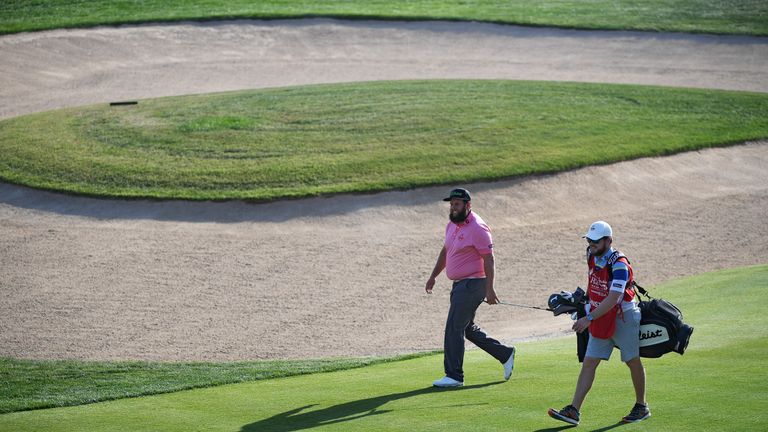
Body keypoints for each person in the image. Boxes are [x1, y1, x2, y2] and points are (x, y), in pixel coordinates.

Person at [547, 221, 651, 425]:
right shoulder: (591, 255)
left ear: (608, 240)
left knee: (632, 360)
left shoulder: (619, 263)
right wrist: (583, 305)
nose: (591, 244)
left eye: (595, 242)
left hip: (624, 318)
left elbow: (613, 298)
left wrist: (588, 318)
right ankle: (574, 410)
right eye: (589, 240)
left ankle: (641, 406)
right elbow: (593, 285)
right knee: (589, 363)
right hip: (599, 317)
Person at [425, 188, 516, 388]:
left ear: (468, 205)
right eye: (451, 204)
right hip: (460, 285)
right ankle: (505, 353)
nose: (453, 207)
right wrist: (433, 276)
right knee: (467, 328)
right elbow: (446, 251)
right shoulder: (452, 224)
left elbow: (489, 260)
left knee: (453, 328)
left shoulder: (478, 228)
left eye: (457, 204)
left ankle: (454, 376)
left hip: (473, 284)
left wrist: (490, 289)